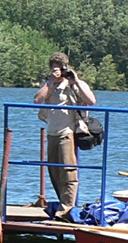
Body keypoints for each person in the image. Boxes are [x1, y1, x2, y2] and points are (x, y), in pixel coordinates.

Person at [33, 52, 97, 221]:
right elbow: (37, 100)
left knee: (69, 173)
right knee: (54, 171)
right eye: (54, 68)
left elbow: (91, 101)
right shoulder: (48, 84)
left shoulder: (74, 84)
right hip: (52, 133)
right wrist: (50, 82)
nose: (58, 72)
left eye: (60, 69)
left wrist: (75, 80)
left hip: (67, 133)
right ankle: (64, 204)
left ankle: (65, 210)